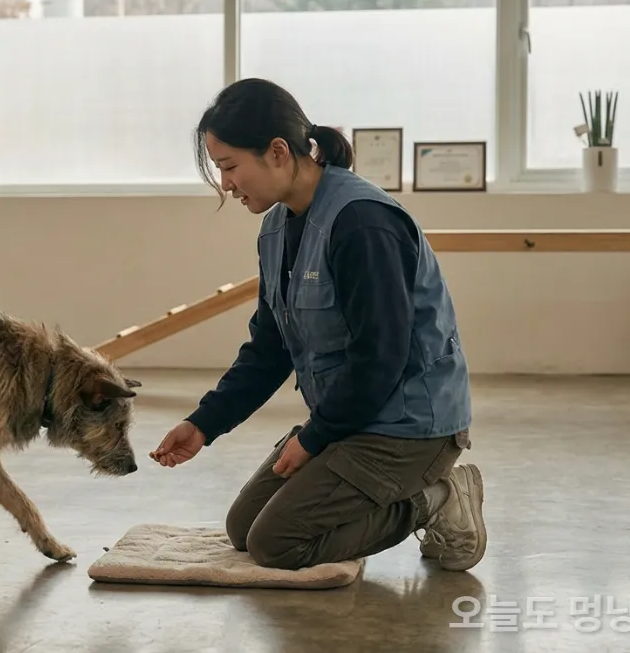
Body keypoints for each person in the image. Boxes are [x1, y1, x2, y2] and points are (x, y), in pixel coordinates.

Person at [149, 78, 486, 573]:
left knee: (276, 544)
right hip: (353, 417)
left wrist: (314, 437)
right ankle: (355, 475)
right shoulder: (276, 228)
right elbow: (268, 350)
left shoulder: (363, 224)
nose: (226, 184)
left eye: (229, 167)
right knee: (243, 530)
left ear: (278, 152)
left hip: (409, 428)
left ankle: (437, 496)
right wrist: (205, 423)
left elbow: (382, 356)